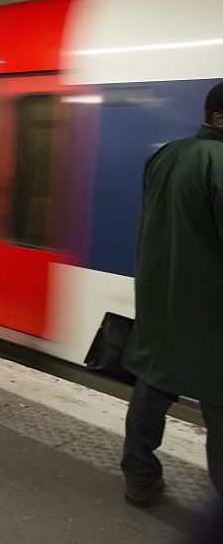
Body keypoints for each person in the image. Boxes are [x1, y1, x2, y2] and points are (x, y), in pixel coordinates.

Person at [120, 82, 223, 509]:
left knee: (153, 385)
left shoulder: (165, 153)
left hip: (160, 297)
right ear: (220, 119)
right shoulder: (218, 161)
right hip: (210, 308)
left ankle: (139, 477)